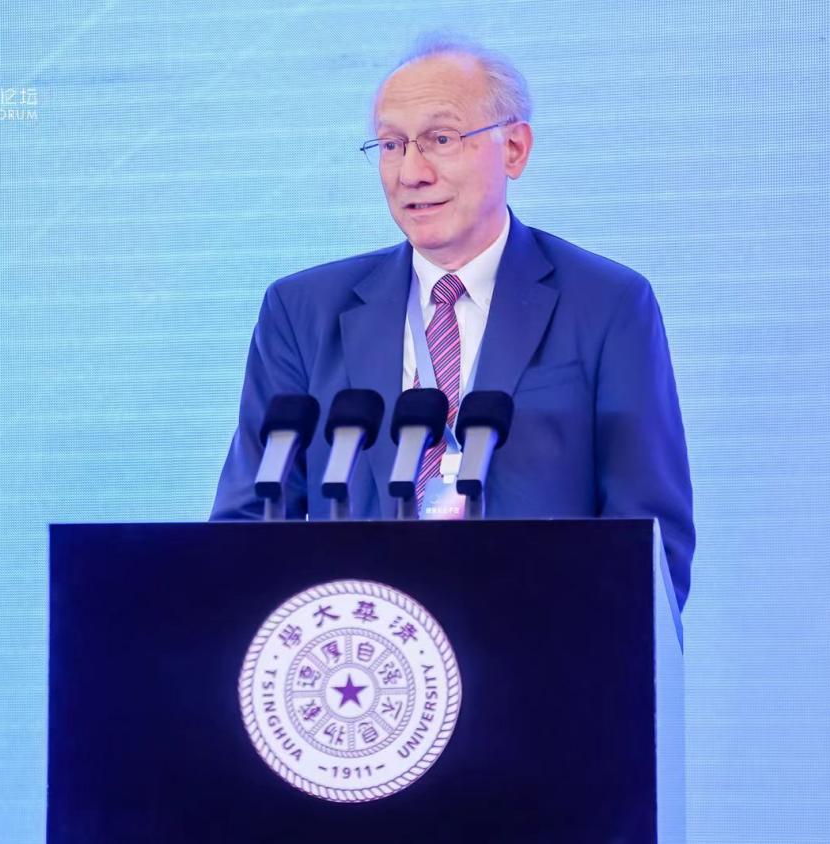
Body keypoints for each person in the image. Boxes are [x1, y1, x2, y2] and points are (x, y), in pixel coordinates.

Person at [211, 37, 695, 608]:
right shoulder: (302, 311)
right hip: (363, 647)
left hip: (540, 644)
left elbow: (650, 539)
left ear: (514, 148)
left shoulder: (606, 304)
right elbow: (246, 526)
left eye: (440, 140)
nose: (411, 172)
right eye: (391, 145)